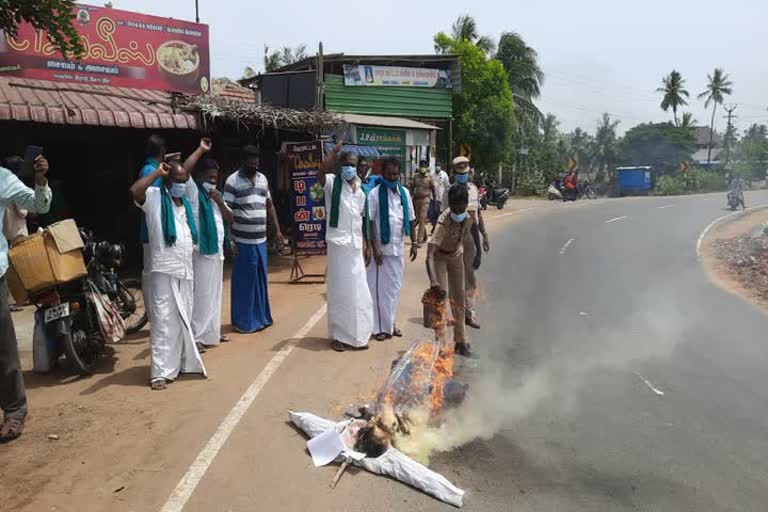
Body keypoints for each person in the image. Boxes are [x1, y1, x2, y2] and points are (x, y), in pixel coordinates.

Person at [131, 159, 206, 391]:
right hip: (164, 270)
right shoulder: (154, 199)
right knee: (164, 320)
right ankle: (160, 372)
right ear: (168, 181)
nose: (181, 185)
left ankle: (183, 363)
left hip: (185, 270)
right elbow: (135, 191)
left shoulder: (183, 206)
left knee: (183, 318)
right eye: (177, 181)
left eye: (184, 181)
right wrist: (156, 173)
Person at [0, 154, 51, 441]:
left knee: (3, 346)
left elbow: (39, 204)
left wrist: (41, 179)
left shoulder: (2, 178)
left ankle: (15, 410)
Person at [224, 145, 285, 333]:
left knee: (259, 280)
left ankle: (261, 318)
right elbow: (226, 212)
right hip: (243, 241)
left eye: (256, 161)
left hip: (261, 240)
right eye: (251, 161)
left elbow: (269, 205)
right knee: (245, 282)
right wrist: (229, 239)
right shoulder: (232, 181)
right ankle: (243, 322)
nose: (254, 164)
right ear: (243, 161)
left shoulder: (263, 179)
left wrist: (278, 231)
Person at [319, 143, 373, 351]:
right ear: (340, 166)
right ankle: (338, 336)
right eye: (345, 164)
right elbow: (320, 172)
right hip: (338, 244)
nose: (349, 168)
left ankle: (359, 335)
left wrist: (367, 244)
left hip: (355, 245)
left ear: (358, 166)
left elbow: (362, 220)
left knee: (358, 290)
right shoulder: (332, 183)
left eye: (352, 164)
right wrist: (332, 154)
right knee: (339, 290)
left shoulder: (361, 190)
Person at [183, 140, 234, 350]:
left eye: (215, 178)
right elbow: (184, 169)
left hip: (216, 253)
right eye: (209, 177)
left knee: (214, 294)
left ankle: (211, 332)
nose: (212, 181)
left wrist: (220, 202)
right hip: (201, 252)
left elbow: (231, 218)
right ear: (201, 176)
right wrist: (201, 150)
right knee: (201, 295)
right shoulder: (194, 192)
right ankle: (196, 337)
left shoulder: (216, 196)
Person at [366, 157, 418, 341]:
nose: (392, 177)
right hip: (381, 251)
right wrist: (375, 246)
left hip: (397, 250)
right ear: (383, 174)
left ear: (399, 174)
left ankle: (391, 323)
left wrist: (414, 242)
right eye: (389, 174)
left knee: (394, 289)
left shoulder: (404, 192)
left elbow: (411, 219)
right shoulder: (374, 194)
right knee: (379, 290)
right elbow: (370, 221)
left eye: (396, 174)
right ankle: (380, 328)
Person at [426, 184, 481, 357]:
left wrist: (478, 252)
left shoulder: (469, 216)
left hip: (456, 255)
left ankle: (460, 342)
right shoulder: (443, 221)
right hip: (440, 258)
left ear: (466, 204)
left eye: (461, 206)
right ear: (450, 204)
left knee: (459, 300)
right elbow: (429, 255)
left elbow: (474, 229)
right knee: (440, 302)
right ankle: (441, 346)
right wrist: (433, 281)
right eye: (454, 207)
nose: (458, 211)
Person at [450, 157, 489, 329]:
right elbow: (443, 218)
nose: (463, 176)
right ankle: (456, 314)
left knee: (471, 278)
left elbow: (477, 215)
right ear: (454, 173)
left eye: (465, 173)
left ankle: (469, 314)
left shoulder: (473, 190)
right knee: (454, 279)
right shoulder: (449, 191)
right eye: (459, 173)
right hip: (453, 239)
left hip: (470, 240)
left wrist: (484, 235)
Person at [139, 135, 167, 323]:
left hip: (148, 232)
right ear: (162, 152)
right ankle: (154, 314)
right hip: (155, 234)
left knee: (150, 274)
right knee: (154, 275)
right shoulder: (154, 172)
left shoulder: (145, 170)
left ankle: (153, 312)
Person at [2, 156, 28, 312]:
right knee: (22, 268)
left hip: (6, 232)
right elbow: (23, 211)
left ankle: (13, 300)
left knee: (10, 268)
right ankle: (18, 299)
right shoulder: (15, 185)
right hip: (18, 232)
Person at [409, 159, 436, 245]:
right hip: (416, 200)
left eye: (424, 167)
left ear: (426, 167)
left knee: (421, 218)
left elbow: (433, 189)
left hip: (425, 199)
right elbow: (412, 187)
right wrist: (410, 198)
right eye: (421, 166)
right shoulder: (416, 176)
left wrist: (434, 201)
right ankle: (424, 236)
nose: (422, 168)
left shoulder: (429, 177)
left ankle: (419, 240)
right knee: (419, 218)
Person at [430, 163, 450, 233]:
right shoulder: (432, 174)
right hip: (432, 197)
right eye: (436, 166)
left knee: (438, 213)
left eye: (438, 166)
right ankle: (434, 225)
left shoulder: (444, 174)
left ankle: (437, 228)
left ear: (440, 167)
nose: (437, 167)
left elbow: (447, 186)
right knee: (431, 213)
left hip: (440, 197)